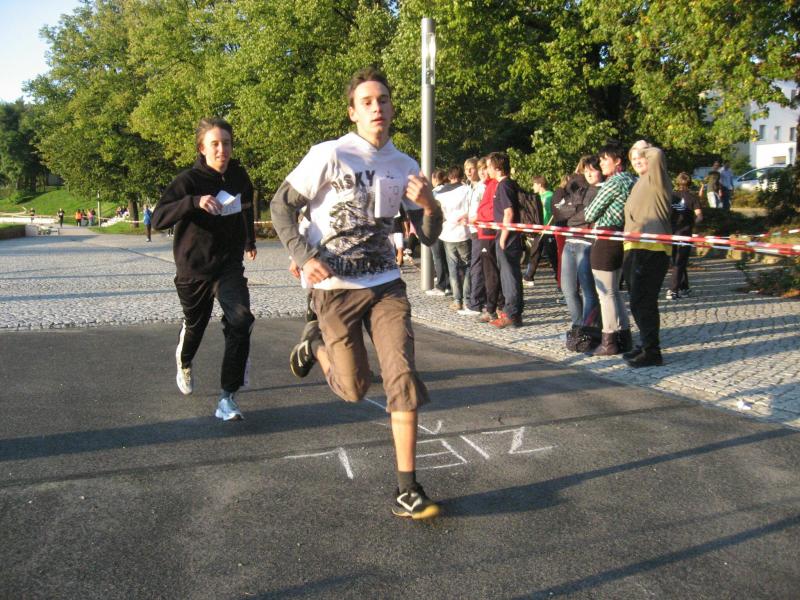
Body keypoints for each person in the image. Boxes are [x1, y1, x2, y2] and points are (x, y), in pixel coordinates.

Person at [271, 67, 443, 520]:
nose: (376, 108)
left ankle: (407, 489)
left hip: (385, 285)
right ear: (353, 112)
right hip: (336, 287)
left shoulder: (405, 165)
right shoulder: (330, 154)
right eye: (366, 102)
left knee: (402, 377)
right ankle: (315, 343)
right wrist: (303, 254)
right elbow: (280, 206)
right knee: (353, 389)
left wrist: (429, 204)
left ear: (392, 108)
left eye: (382, 100)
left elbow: (428, 235)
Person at [152, 117, 257, 421]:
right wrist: (194, 202)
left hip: (228, 265)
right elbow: (158, 219)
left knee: (241, 320)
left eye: (227, 143)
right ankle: (184, 361)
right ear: (202, 148)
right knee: (195, 327)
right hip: (194, 268)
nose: (222, 149)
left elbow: (246, 208)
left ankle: (228, 397)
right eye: (215, 144)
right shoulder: (188, 181)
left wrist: (249, 240)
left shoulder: (239, 176)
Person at [584, 141, 637, 355]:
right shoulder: (632, 180)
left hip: (606, 239)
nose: (601, 163)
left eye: (605, 159)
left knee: (605, 293)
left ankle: (609, 340)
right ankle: (624, 336)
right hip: (621, 238)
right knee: (614, 292)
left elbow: (590, 213)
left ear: (617, 161)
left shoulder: (614, 182)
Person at [623, 146, 673, 367]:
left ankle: (652, 351)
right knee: (636, 300)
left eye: (641, 156)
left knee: (644, 300)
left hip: (652, 249)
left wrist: (644, 148)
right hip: (634, 246)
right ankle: (644, 344)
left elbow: (658, 155)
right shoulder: (639, 182)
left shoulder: (656, 177)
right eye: (634, 158)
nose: (638, 160)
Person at [554, 157, 600, 351]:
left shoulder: (599, 190)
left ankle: (588, 331)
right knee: (567, 288)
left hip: (586, 243)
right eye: (585, 170)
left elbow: (587, 214)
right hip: (570, 242)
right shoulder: (578, 187)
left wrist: (573, 213)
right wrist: (574, 210)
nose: (588, 174)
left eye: (592, 170)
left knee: (589, 290)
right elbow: (559, 211)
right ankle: (578, 325)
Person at [487, 151, 524, 328]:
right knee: (511, 275)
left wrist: (503, 237)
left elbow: (508, 213)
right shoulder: (507, 184)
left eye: (489, 166)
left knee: (509, 277)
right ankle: (515, 314)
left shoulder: (504, 185)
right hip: (510, 236)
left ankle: (511, 313)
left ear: (498, 168)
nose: (487, 170)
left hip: (508, 238)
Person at [436, 166, 472, 310]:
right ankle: (467, 299)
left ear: (449, 176)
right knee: (468, 266)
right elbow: (471, 209)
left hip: (447, 232)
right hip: (464, 232)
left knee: (453, 268)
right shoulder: (467, 190)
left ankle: (457, 300)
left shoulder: (440, 192)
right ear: (461, 176)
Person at [474, 155, 503, 322]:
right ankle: (497, 305)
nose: (482, 172)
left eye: (485, 168)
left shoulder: (494, 185)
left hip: (489, 232)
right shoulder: (487, 186)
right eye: (480, 169)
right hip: (483, 231)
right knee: (489, 272)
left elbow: (493, 211)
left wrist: (479, 217)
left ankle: (492, 308)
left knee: (490, 273)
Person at [667, 172, 703, 300]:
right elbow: (699, 216)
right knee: (680, 262)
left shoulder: (671, 196)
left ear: (677, 182)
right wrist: (693, 224)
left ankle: (684, 287)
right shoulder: (693, 198)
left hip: (671, 233)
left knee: (676, 261)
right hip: (685, 234)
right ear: (690, 183)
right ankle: (673, 290)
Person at [459, 156, 487, 317]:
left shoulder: (482, 187)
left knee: (477, 267)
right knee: (476, 266)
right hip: (472, 230)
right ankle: (479, 300)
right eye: (466, 169)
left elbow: (483, 211)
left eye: (472, 168)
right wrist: (465, 216)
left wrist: (471, 219)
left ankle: (476, 303)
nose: (468, 172)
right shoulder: (471, 187)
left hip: (480, 230)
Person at [425, 169, 450, 296]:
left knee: (438, 258)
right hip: (449, 228)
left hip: (437, 228)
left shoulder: (436, 192)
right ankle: (449, 284)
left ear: (435, 179)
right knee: (446, 258)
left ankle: (441, 285)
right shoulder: (449, 190)